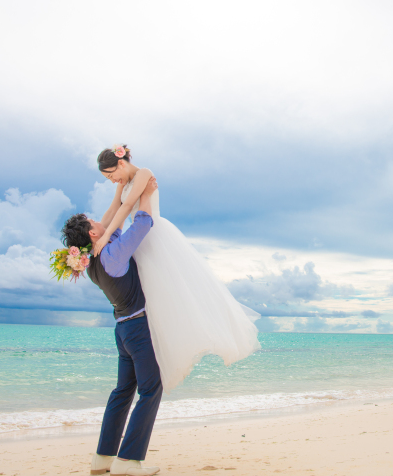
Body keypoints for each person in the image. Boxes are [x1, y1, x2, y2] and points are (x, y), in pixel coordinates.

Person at [93, 144, 260, 392]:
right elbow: (113, 209)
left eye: (111, 175)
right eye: (108, 179)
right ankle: (156, 352)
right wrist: (97, 239)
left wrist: (106, 238)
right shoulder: (123, 181)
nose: (112, 180)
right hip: (139, 237)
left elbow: (128, 207)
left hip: (153, 234)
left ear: (121, 163)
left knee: (169, 292)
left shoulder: (143, 173)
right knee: (151, 297)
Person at [61, 176, 162, 476]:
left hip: (122, 330)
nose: (99, 219)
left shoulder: (92, 259)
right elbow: (142, 224)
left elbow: (112, 215)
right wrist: (148, 194)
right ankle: (128, 461)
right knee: (150, 389)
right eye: (94, 220)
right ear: (93, 232)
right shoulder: (112, 254)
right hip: (138, 328)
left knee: (122, 392)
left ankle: (103, 458)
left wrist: (123, 189)